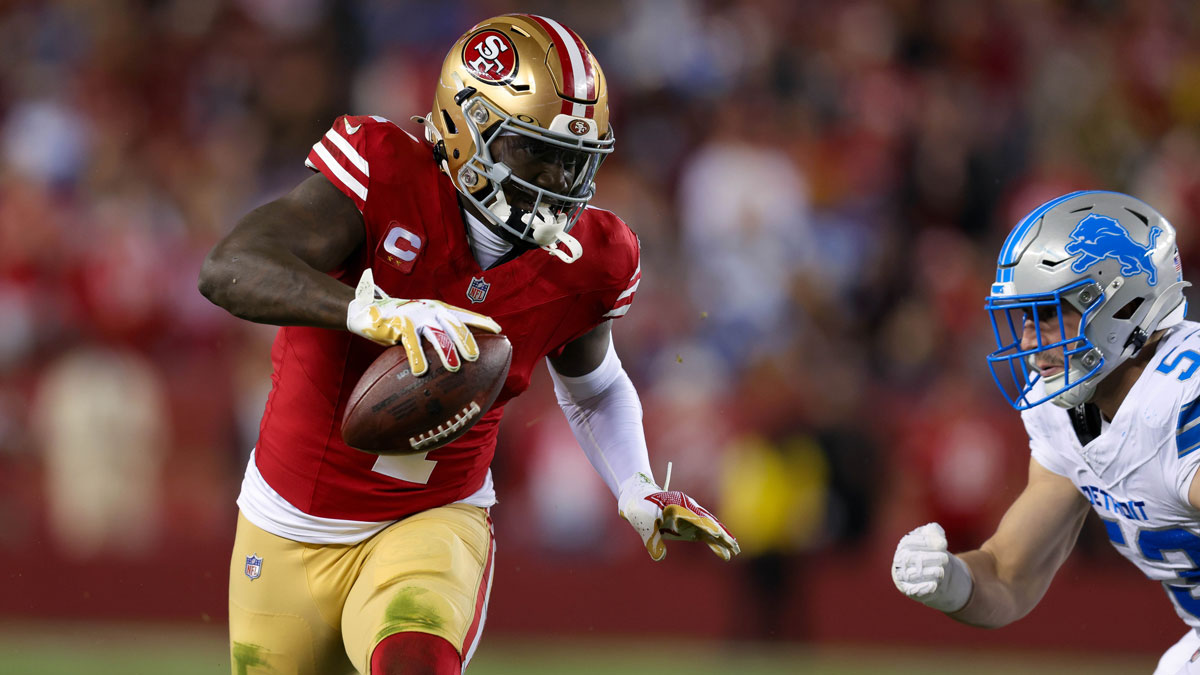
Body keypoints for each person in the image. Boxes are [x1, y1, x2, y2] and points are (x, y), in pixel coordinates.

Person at [198, 14, 739, 675]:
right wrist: (371, 310)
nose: (559, 183)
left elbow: (594, 385)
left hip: (430, 519)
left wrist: (635, 485)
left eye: (574, 160)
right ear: (465, 126)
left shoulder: (589, 259)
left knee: (415, 660)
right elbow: (229, 268)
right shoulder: (382, 170)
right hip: (287, 520)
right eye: (535, 152)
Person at [891, 190, 1200, 674]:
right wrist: (952, 581)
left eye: (1053, 315)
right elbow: (1011, 574)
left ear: (1124, 304)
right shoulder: (1069, 411)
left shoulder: (1183, 396)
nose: (1033, 345)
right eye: (1027, 319)